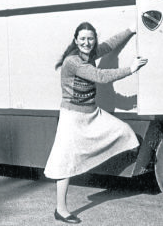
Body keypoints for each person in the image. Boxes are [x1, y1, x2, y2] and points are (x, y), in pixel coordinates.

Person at [44, 22, 148, 224]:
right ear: (76, 40)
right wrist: (131, 69)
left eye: (90, 38)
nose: (86, 42)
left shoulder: (90, 54)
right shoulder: (72, 61)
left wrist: (129, 30)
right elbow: (100, 76)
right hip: (72, 117)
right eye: (82, 39)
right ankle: (61, 209)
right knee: (64, 163)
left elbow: (109, 45)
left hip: (92, 113)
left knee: (124, 132)